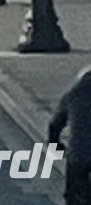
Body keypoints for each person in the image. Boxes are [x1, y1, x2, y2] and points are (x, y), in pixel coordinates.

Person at [48, 64, 91, 203]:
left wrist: (55, 145)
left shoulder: (73, 95)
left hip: (78, 154)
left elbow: (55, 125)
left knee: (74, 195)